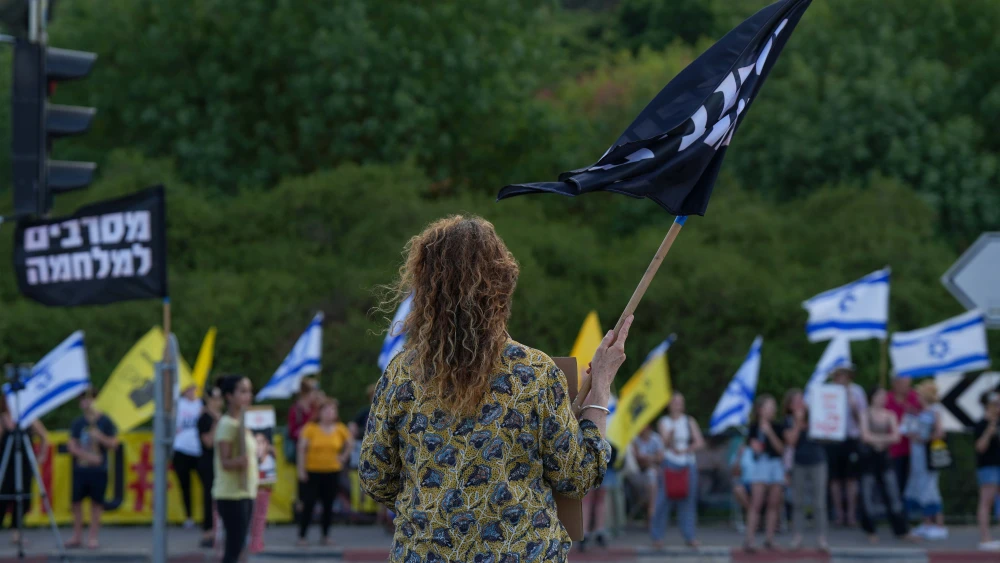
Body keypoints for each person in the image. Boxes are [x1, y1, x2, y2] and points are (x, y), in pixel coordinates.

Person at [359, 215, 631, 563]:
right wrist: (602, 386)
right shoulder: (534, 373)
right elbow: (577, 476)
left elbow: (375, 478)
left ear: (425, 289)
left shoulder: (400, 374)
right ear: (502, 284)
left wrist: (433, 496)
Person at [213, 375, 259, 563]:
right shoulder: (227, 425)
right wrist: (240, 462)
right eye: (242, 391)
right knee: (233, 549)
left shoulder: (242, 424)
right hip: (232, 495)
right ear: (229, 396)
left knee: (239, 547)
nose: (248, 395)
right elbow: (225, 462)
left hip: (245, 491)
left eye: (249, 391)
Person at [67, 388, 118, 549]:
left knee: (97, 504)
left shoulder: (105, 422)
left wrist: (99, 437)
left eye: (89, 398)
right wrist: (89, 457)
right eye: (83, 399)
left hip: (99, 471)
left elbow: (114, 444)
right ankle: (76, 536)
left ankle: (93, 537)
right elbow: (72, 446)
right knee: (76, 503)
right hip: (81, 469)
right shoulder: (78, 423)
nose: (86, 402)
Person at [651, 393, 704, 549]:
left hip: (687, 463)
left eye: (680, 402)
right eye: (674, 402)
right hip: (669, 463)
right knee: (663, 500)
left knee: (688, 501)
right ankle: (657, 536)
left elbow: (700, 442)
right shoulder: (664, 422)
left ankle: (690, 536)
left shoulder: (689, 421)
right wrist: (670, 436)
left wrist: (687, 449)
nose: (677, 405)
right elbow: (664, 443)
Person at [859, 388, 912, 543]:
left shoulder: (890, 415)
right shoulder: (865, 414)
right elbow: (864, 436)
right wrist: (883, 439)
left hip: (885, 458)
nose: (882, 398)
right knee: (868, 495)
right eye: (879, 395)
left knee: (893, 493)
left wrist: (877, 441)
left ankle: (901, 530)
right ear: (872, 397)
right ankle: (870, 530)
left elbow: (897, 436)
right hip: (868, 459)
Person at [297, 398, 352, 546]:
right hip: (313, 472)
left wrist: (343, 457)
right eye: (326, 410)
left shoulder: (340, 428)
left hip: (332, 471)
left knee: (328, 505)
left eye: (333, 410)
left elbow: (350, 444)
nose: (330, 413)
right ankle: (302, 536)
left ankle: (325, 535)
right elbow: (301, 449)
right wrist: (301, 470)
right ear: (320, 412)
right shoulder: (310, 428)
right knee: (308, 504)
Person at [783, 388, 828, 552]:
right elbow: (791, 442)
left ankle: (821, 538)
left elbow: (826, 435)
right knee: (798, 502)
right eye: (795, 401)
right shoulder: (787, 421)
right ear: (789, 405)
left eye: (801, 400)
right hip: (799, 463)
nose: (799, 404)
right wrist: (797, 423)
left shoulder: (816, 416)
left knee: (819, 502)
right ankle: (798, 537)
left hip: (818, 461)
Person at [0, 396, 49, 545]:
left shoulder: (27, 418)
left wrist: (41, 456)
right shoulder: (2, 419)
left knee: (22, 498)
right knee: (3, 496)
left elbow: (44, 436)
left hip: (25, 465)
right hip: (6, 464)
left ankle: (17, 532)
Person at [904, 380, 947, 540]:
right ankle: (927, 523)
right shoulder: (924, 411)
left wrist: (924, 439)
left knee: (931, 489)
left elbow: (940, 433)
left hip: (928, 457)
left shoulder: (935, 411)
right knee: (922, 488)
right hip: (919, 458)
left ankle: (939, 525)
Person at [827, 366, 867, 529]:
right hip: (833, 439)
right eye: (838, 375)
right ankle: (838, 513)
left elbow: (862, 418)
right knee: (835, 478)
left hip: (851, 438)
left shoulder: (857, 392)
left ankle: (851, 513)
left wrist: (852, 405)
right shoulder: (828, 391)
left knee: (851, 478)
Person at [744, 394, 785, 552]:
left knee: (774, 504)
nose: (773, 409)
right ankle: (750, 539)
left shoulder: (778, 426)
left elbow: (781, 449)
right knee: (756, 503)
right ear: (761, 409)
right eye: (769, 406)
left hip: (776, 464)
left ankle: (769, 539)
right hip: (761, 464)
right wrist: (754, 445)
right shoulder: (753, 427)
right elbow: (752, 446)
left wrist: (769, 432)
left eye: (774, 406)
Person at [173, 383, 203, 529]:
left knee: (207, 484)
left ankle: (208, 517)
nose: (192, 392)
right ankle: (189, 517)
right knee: (185, 486)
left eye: (194, 389)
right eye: (189, 389)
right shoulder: (178, 404)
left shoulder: (201, 404)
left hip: (199, 450)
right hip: (181, 449)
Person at [197, 383, 223, 548]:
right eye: (214, 399)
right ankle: (208, 531)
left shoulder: (222, 417)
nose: (218, 402)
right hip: (208, 462)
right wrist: (216, 422)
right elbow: (208, 442)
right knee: (209, 497)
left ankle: (219, 530)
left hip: (221, 462)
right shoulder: (204, 419)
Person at [885, 375, 920, 496]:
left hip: (914, 448)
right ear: (895, 383)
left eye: (908, 382)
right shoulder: (887, 399)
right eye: (903, 383)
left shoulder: (915, 397)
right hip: (894, 449)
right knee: (896, 481)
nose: (907, 386)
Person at [974, 391, 1000, 551]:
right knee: (986, 500)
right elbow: (980, 447)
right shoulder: (981, 424)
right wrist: (989, 431)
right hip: (987, 466)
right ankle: (985, 537)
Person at [631, 425, 664, 525]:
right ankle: (651, 511)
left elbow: (660, 458)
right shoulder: (634, 439)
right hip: (637, 472)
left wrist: (646, 459)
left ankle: (651, 511)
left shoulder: (656, 438)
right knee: (649, 482)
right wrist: (651, 459)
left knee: (652, 476)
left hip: (652, 472)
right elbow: (637, 459)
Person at [249, 432, 275, 554]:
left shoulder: (269, 460)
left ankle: (257, 540)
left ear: (266, 445)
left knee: (260, 516)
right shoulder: (248, 459)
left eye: (261, 442)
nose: (258, 446)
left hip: (262, 488)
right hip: (248, 488)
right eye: (255, 442)